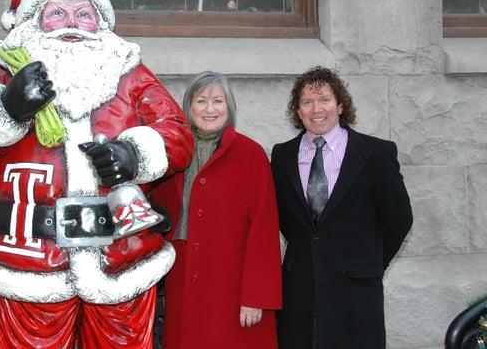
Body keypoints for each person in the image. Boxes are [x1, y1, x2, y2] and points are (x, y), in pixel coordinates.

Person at [0, 0, 194, 349]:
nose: (72, 22)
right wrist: (6, 109)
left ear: (100, 23)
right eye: (57, 13)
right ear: (31, 20)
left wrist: (135, 154)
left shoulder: (129, 73)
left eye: (84, 14)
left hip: (121, 260)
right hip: (28, 263)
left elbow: (177, 132)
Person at [271, 66, 413, 349]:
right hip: (300, 291)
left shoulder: (376, 154)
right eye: (307, 102)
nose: (316, 109)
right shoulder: (282, 156)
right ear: (297, 112)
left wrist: (369, 264)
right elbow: (286, 221)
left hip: (356, 292)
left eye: (324, 99)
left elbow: (399, 219)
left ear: (340, 104)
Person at [150, 71, 282, 349]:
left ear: (229, 108)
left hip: (232, 285)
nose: (210, 109)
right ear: (189, 107)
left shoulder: (251, 155)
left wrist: (256, 296)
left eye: (218, 101)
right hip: (182, 283)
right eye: (201, 101)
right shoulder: (173, 154)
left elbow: (264, 229)